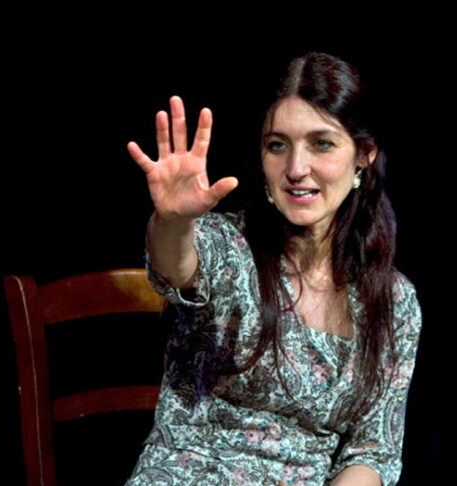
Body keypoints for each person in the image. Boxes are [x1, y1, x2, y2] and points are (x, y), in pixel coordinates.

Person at [125, 52, 422, 486]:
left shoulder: (392, 301)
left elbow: (373, 450)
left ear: (363, 155)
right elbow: (178, 264)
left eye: (321, 144)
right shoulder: (231, 246)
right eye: (277, 145)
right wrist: (173, 221)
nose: (296, 169)